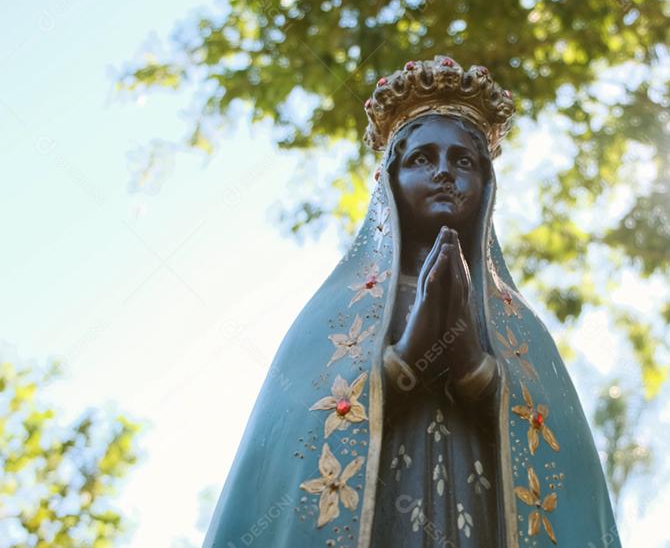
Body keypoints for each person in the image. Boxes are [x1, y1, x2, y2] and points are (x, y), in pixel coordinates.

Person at [204, 55, 621, 548]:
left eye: (463, 160)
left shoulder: (518, 325)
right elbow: (294, 434)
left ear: (486, 182)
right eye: (423, 158)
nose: (444, 172)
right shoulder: (334, 313)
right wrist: (406, 357)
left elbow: (562, 458)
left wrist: (474, 367)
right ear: (390, 179)